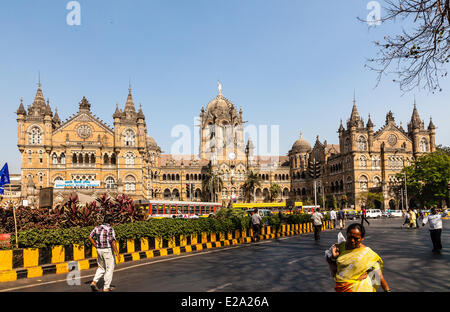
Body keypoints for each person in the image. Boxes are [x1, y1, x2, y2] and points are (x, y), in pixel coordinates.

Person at [327, 223, 391, 292]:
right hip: (341, 287)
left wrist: (387, 290)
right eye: (349, 237)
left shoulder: (367, 254)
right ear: (346, 235)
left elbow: (378, 276)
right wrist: (333, 258)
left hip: (360, 288)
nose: (352, 241)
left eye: (356, 238)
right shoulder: (340, 247)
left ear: (362, 238)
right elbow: (332, 265)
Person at [89, 215, 119, 292]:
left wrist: (95, 245)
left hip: (99, 250)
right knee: (109, 269)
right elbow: (112, 241)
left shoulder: (97, 227)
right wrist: (117, 253)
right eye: (112, 221)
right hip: (107, 250)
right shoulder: (110, 229)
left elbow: (90, 237)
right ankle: (106, 287)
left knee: (101, 267)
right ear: (110, 221)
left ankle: (94, 282)